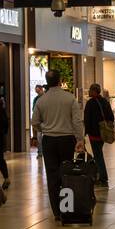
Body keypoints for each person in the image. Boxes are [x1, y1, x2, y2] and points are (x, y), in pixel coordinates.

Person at [31, 69, 84, 218]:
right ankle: (67, 208)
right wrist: (80, 139)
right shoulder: (69, 98)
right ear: (60, 80)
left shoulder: (41, 100)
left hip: (49, 141)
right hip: (67, 139)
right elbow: (77, 121)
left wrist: (45, 128)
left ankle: (57, 212)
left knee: (52, 175)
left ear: (47, 82)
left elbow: (35, 122)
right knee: (67, 173)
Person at [83, 83, 115, 187]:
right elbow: (111, 116)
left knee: (98, 155)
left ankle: (102, 177)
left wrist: (85, 132)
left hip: (94, 133)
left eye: (90, 90)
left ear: (94, 91)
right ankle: (98, 175)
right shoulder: (105, 101)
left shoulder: (90, 103)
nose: (89, 92)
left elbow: (87, 119)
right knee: (98, 153)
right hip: (103, 133)